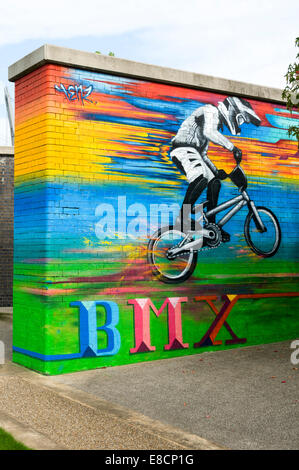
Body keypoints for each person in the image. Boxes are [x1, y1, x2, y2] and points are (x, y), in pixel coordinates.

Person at [170, 96, 261, 241]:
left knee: (215, 182)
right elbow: (209, 133)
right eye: (241, 119)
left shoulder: (212, 122)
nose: (240, 124)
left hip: (193, 152)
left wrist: (215, 171)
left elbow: (202, 154)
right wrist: (232, 147)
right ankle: (182, 219)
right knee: (200, 179)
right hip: (183, 148)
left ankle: (212, 227)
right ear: (232, 111)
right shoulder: (210, 110)